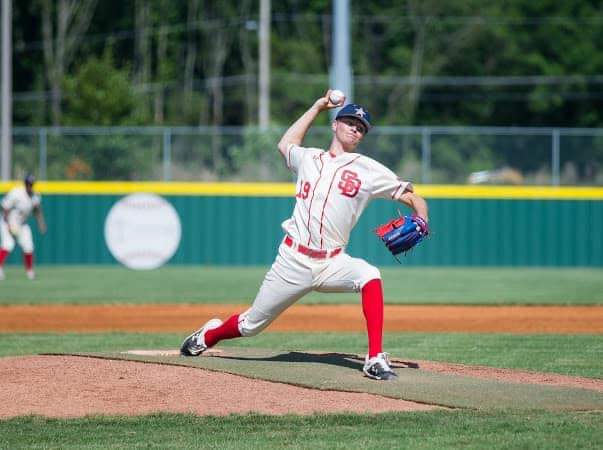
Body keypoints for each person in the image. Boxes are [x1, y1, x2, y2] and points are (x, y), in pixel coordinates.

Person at [181, 90, 429, 380]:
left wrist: (422, 217)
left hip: (333, 262)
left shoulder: (369, 170)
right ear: (335, 124)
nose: (356, 129)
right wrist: (317, 106)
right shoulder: (309, 158)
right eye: (350, 122)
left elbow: (413, 197)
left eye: (361, 128)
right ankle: (208, 336)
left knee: (370, 275)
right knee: (251, 325)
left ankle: (375, 358)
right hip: (293, 260)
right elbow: (285, 143)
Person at [0, 174, 47, 280]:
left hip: (22, 224)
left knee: (28, 246)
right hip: (7, 221)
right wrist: (8, 224)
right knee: (8, 245)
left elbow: (37, 210)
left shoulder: (35, 196)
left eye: (31, 184)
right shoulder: (16, 193)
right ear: (25, 184)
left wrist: (41, 224)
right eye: (28, 184)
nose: (30, 186)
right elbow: (4, 207)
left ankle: (30, 271)